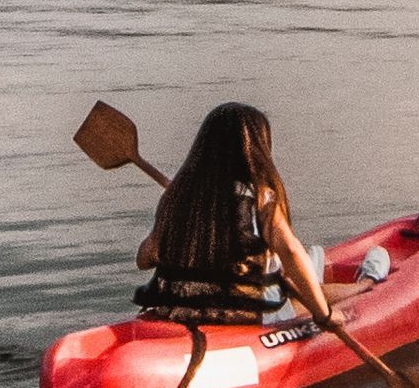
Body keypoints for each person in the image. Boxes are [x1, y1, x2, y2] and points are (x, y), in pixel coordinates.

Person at [137, 101, 350, 334]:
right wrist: (324, 315)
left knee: (311, 264)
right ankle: (368, 285)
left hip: (178, 311)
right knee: (303, 291)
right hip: (245, 314)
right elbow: (290, 251)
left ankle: (364, 284)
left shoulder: (175, 198)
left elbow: (145, 259)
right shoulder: (261, 197)